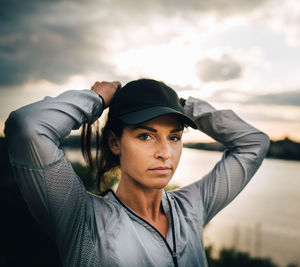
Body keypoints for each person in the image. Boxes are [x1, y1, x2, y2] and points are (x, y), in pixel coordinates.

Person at [5, 78, 269, 267]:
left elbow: (254, 144)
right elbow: (27, 128)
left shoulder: (192, 207)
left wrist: (182, 106)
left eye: (174, 137)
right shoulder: (82, 219)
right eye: (145, 136)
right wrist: (95, 99)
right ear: (114, 143)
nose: (165, 152)